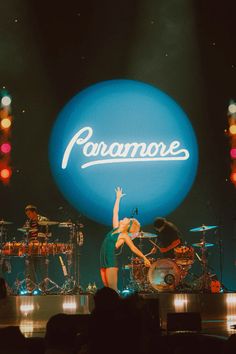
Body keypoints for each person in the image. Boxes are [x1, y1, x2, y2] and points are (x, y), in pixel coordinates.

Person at [100, 187, 151, 292]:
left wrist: (144, 258)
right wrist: (118, 198)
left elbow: (133, 248)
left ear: (128, 225)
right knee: (107, 290)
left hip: (110, 262)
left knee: (112, 290)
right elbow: (115, 212)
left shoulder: (123, 236)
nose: (123, 218)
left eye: (126, 219)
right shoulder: (115, 228)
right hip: (103, 261)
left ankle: (118, 307)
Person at [23, 204, 49, 292]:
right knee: (30, 267)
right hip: (31, 247)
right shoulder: (28, 222)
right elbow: (25, 234)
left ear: (34, 212)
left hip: (41, 246)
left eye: (29, 213)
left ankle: (43, 288)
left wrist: (41, 241)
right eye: (27, 214)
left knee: (42, 268)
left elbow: (48, 233)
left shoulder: (44, 220)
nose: (28, 216)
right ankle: (31, 288)